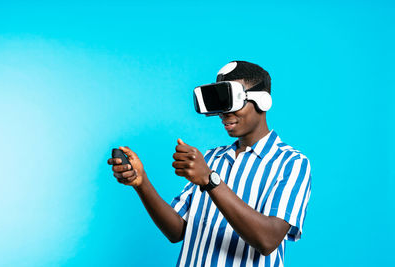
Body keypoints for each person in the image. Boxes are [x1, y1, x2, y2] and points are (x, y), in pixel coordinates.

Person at [107, 61, 312, 267]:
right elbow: (177, 231)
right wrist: (142, 183)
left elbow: (268, 240)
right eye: (221, 104)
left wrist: (209, 180)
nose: (224, 113)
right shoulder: (212, 158)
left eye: (232, 103)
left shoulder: (291, 163)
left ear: (262, 101)